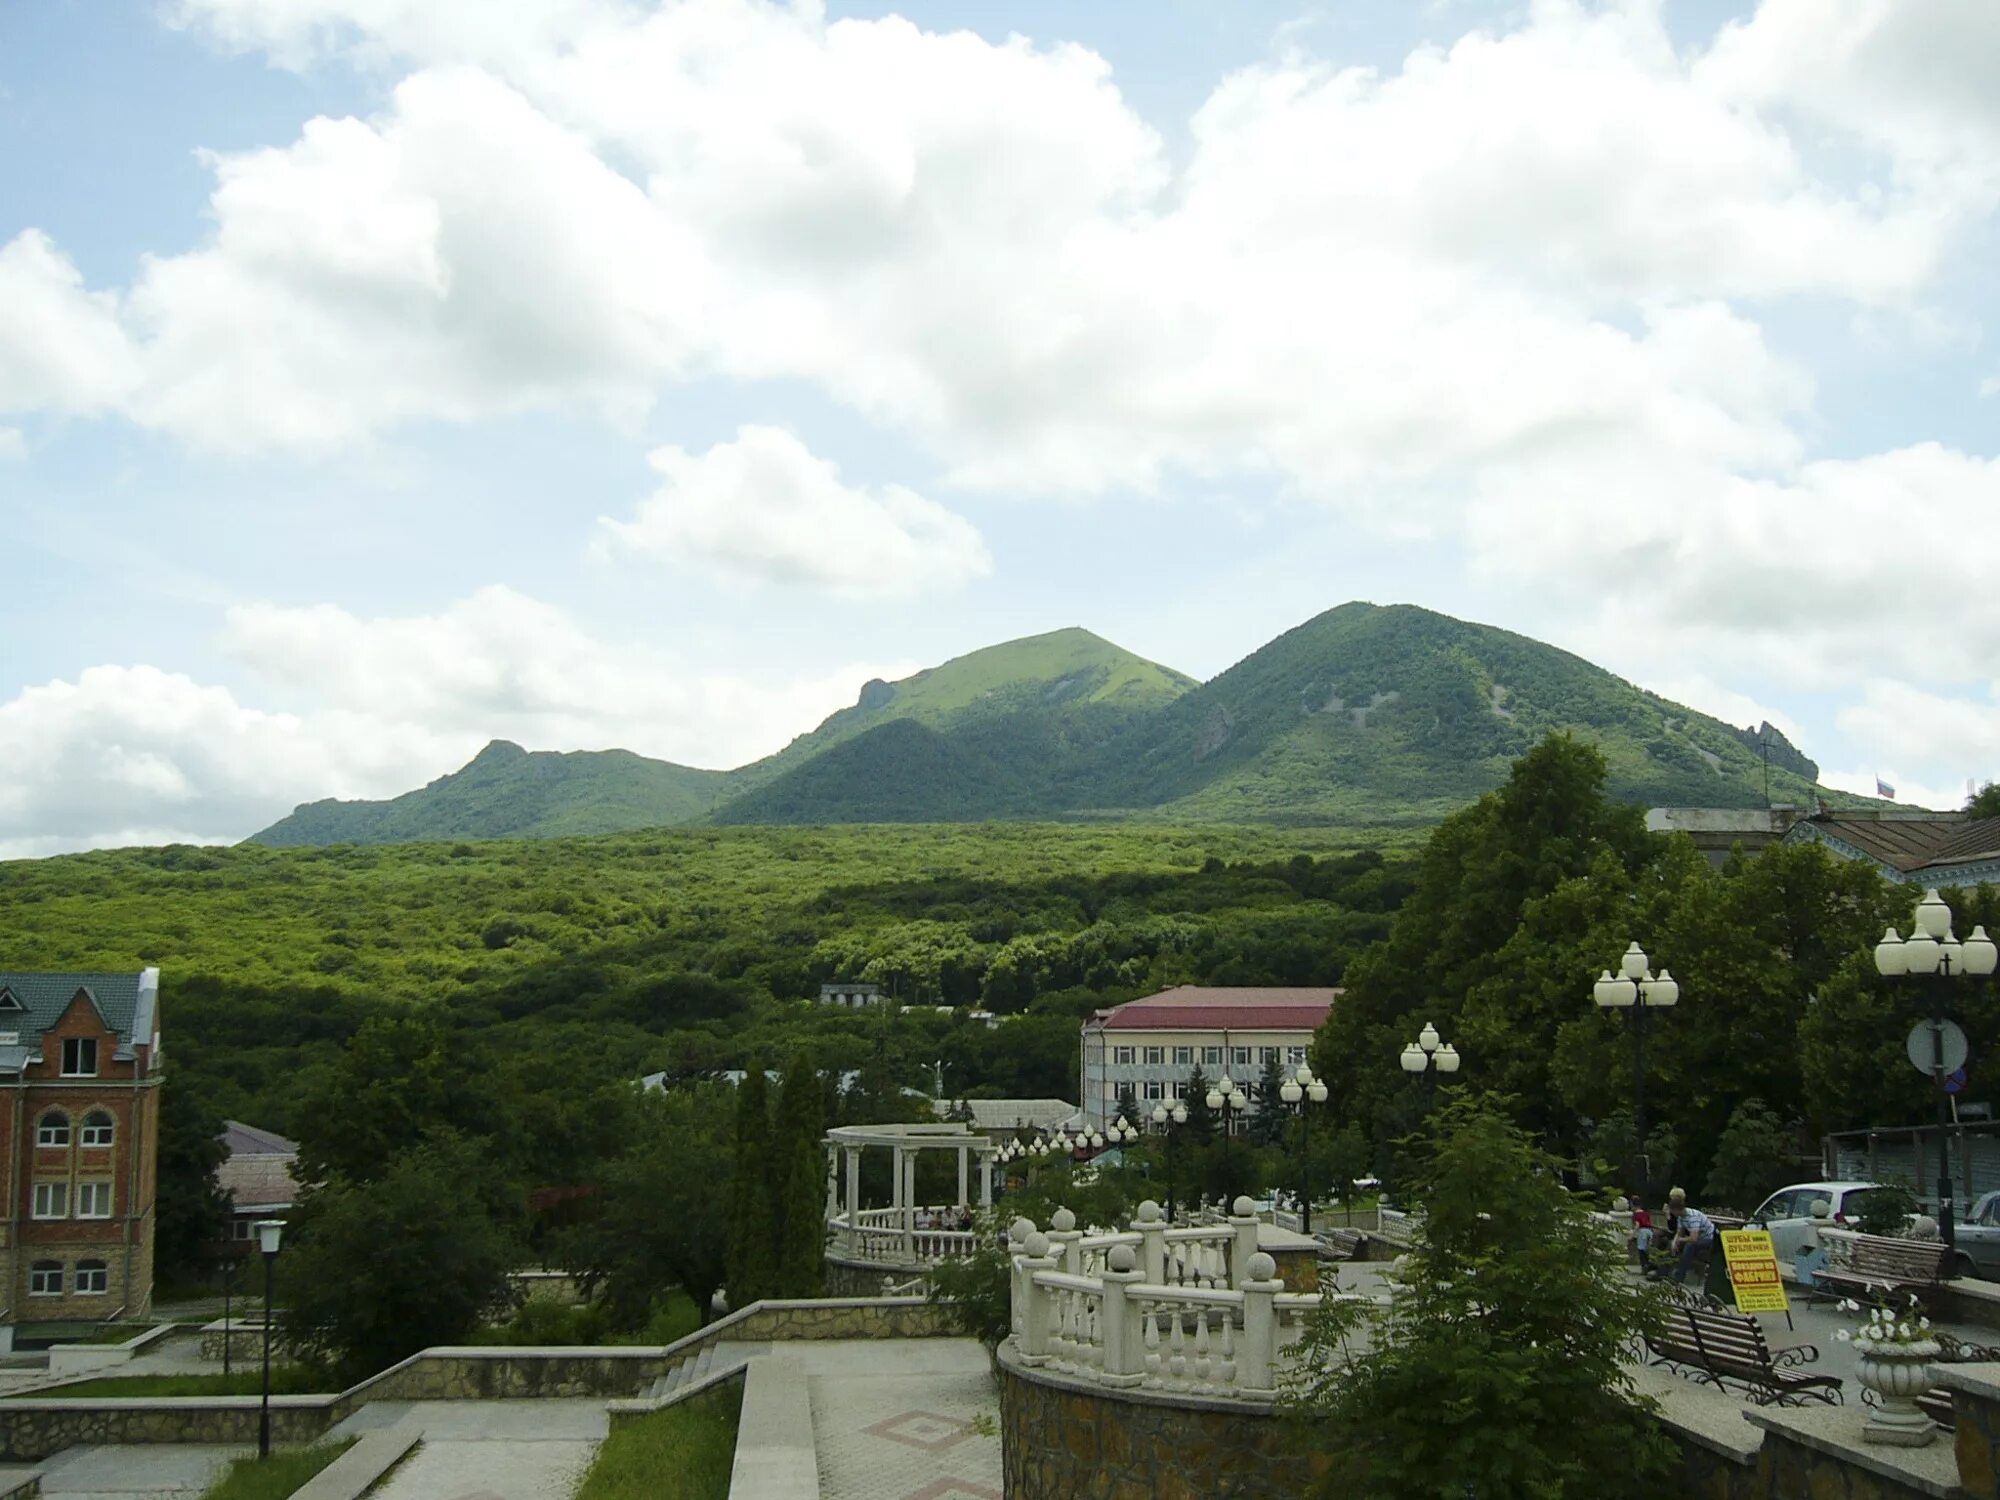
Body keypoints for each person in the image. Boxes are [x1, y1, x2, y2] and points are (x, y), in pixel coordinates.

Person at [1666, 1187, 1716, 1286]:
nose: (1672, 1214)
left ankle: (1679, 1278)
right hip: (1699, 1238)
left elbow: (1694, 1238)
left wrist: (1680, 1240)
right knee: (1670, 1244)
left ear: (1677, 1210)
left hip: (1709, 1238)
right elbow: (1679, 1232)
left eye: (1672, 1212)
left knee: (1689, 1246)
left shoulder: (1693, 1217)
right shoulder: (1681, 1216)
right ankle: (1662, 1273)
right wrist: (1675, 1241)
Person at [1631, 1195, 1656, 1273]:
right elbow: (1650, 1223)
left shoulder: (1635, 1214)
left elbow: (1637, 1225)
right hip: (1649, 1231)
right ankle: (1650, 1264)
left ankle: (1644, 1266)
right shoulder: (1645, 1213)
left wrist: (1632, 1234)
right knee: (1648, 1249)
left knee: (1641, 1249)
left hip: (1642, 1232)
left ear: (1632, 1204)